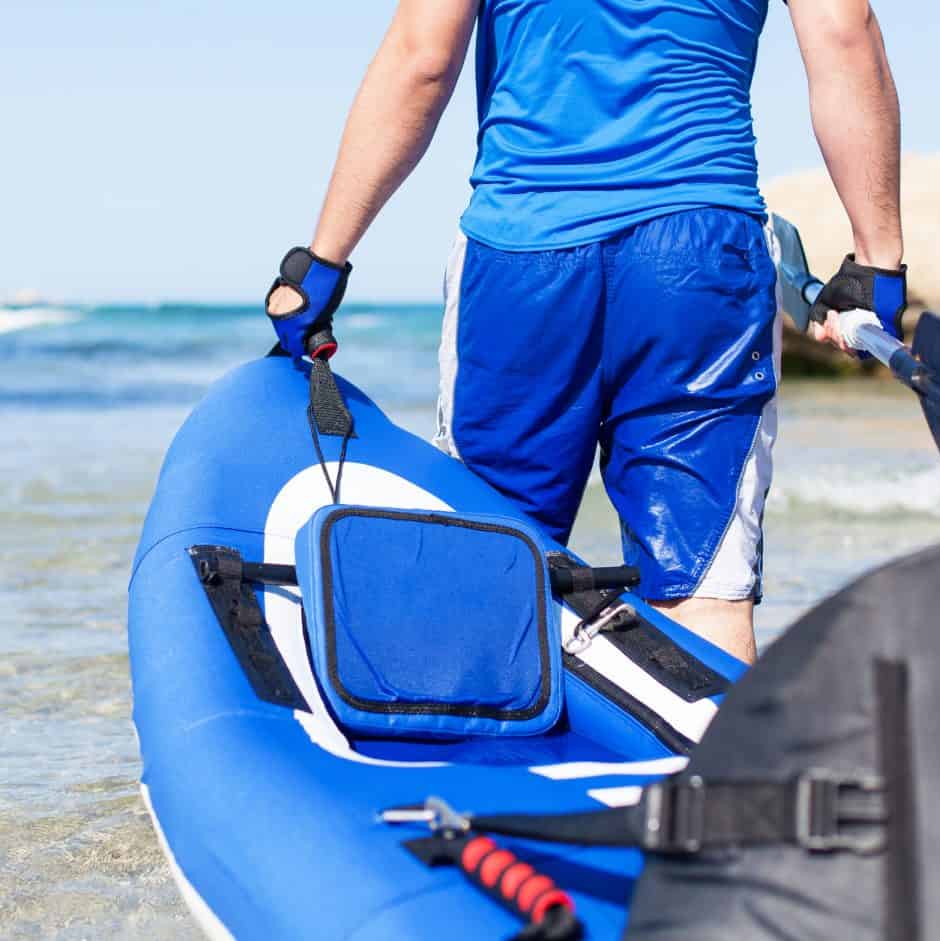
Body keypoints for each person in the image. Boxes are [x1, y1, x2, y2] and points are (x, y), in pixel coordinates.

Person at [266, 0, 907, 665]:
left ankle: (489, 754)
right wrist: (877, 263)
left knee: (494, 571)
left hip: (525, 255)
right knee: (703, 594)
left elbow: (421, 61)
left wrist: (321, 264)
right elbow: (843, 34)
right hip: (699, 266)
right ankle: (713, 761)